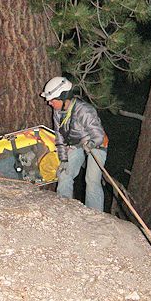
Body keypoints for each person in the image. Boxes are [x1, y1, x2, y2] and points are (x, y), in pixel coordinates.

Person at [41, 76, 108, 211]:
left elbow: (99, 135)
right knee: (64, 173)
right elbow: (59, 136)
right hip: (76, 144)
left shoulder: (84, 110)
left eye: (52, 100)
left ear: (63, 97)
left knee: (92, 180)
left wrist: (89, 145)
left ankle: (94, 214)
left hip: (97, 144)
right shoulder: (58, 111)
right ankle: (64, 208)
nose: (49, 103)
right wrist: (63, 158)